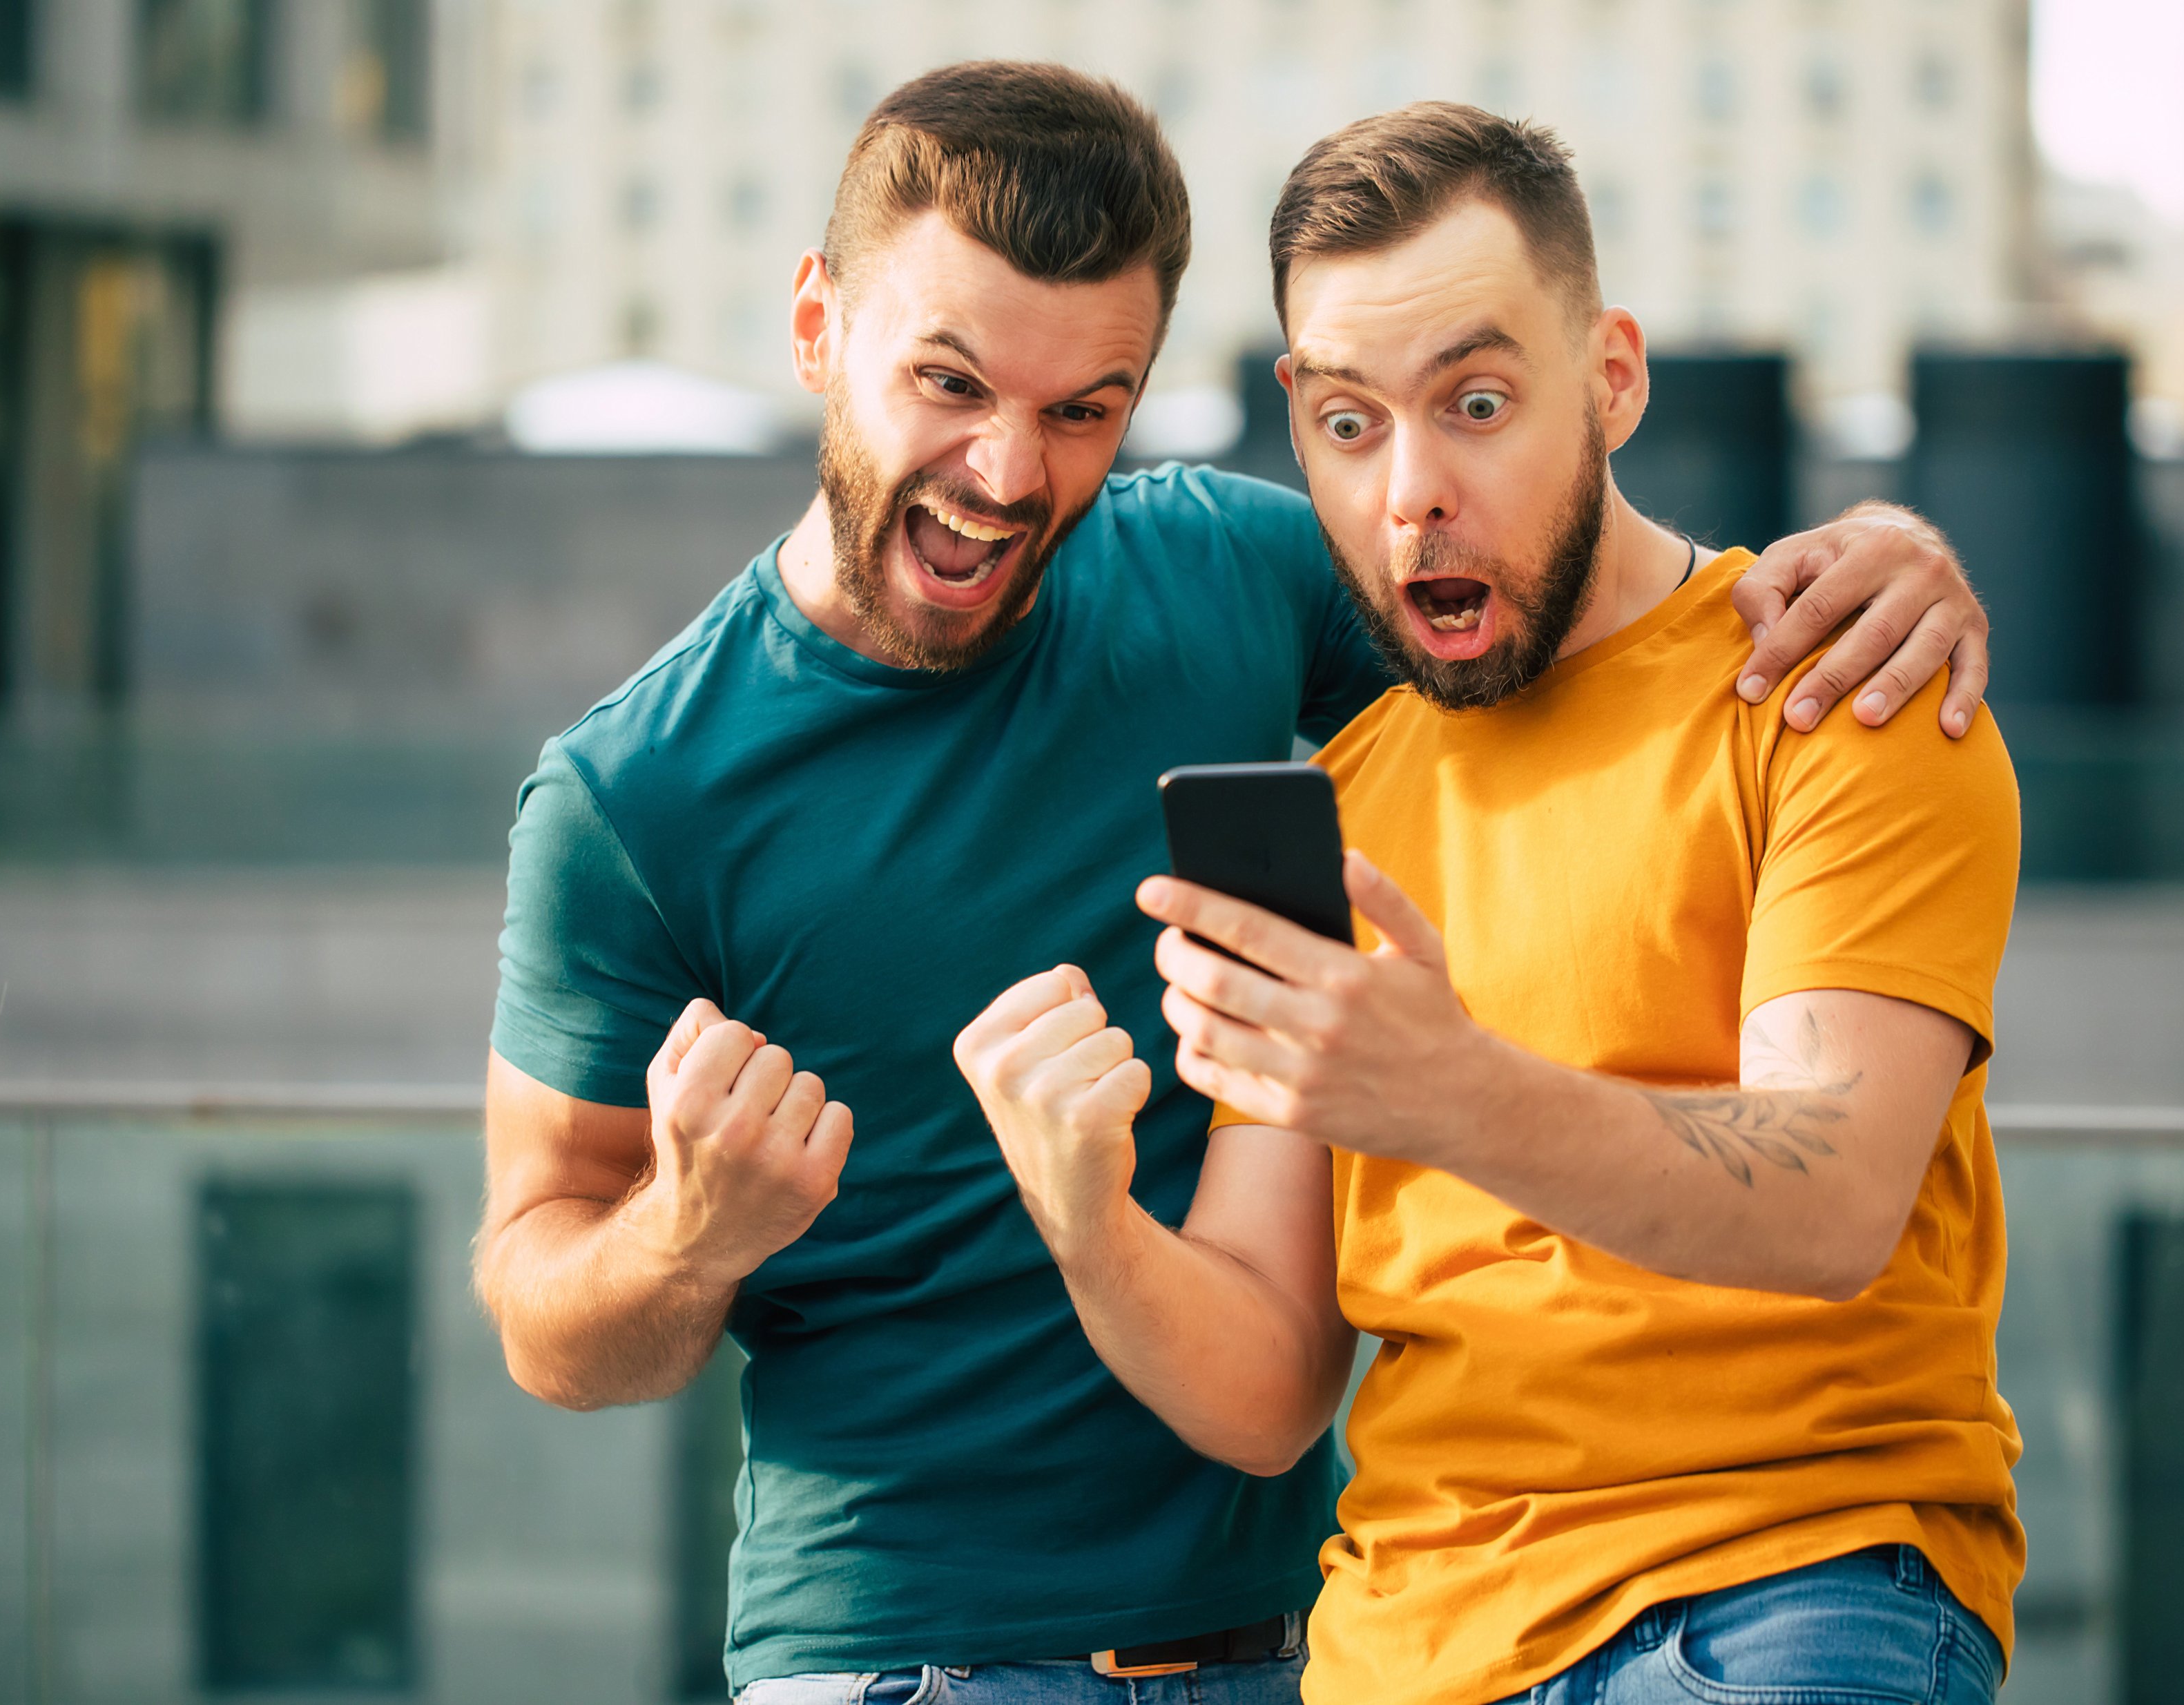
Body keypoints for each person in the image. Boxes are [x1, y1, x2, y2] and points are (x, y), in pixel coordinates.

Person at [479, 66, 1995, 1705]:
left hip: (1307, 1633)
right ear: (815, 326)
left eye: (1084, 408)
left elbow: (1573, 630)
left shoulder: (1241, 578)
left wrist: (1886, 549)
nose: (1005, 471)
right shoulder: (631, 795)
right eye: (949, 380)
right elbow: (544, 1312)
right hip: (908, 1649)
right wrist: (689, 1238)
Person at [957, 103, 2022, 1705]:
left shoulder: (1836, 682)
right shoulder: (1351, 801)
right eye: (1349, 423)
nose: (1412, 496)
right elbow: (1265, 1385)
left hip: (1777, 1585)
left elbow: (1829, 1194)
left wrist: (1452, 1093)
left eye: (1475, 402)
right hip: (1401, 1647)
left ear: (1613, 380)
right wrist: (1086, 1216)